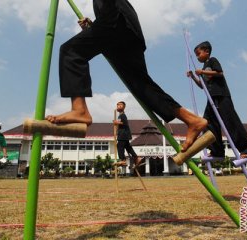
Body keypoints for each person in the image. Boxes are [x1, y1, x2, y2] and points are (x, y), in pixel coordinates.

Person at [45, 0, 208, 154]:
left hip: (115, 21)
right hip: (126, 28)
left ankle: (79, 110)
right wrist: (94, 26)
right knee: (142, 86)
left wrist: (101, 24)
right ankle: (192, 120)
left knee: (71, 52)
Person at [187, 41, 247, 158]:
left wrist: (202, 72)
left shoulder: (212, 60)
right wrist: (193, 76)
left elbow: (220, 73)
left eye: (199, 54)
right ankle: (217, 151)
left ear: (207, 52)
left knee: (230, 122)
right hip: (211, 99)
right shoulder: (203, 67)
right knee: (207, 124)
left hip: (221, 96)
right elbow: (202, 85)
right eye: (196, 55)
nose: (198, 57)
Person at [113, 101, 142, 167]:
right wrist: (117, 123)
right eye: (117, 105)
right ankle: (137, 158)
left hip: (123, 134)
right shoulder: (120, 115)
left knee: (119, 145)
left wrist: (116, 122)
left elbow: (124, 123)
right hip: (124, 134)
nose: (118, 106)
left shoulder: (122, 115)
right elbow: (120, 123)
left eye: (120, 105)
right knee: (128, 147)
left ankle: (123, 160)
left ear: (124, 107)